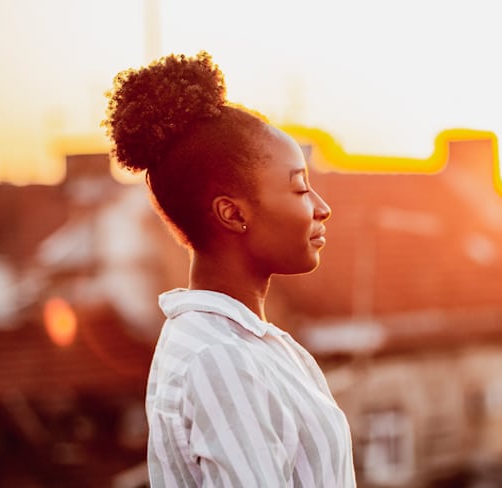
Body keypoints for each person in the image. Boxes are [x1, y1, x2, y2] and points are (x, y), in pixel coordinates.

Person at [102, 52, 356, 487]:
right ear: (232, 213)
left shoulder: (251, 345)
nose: (322, 208)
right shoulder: (220, 358)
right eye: (299, 187)